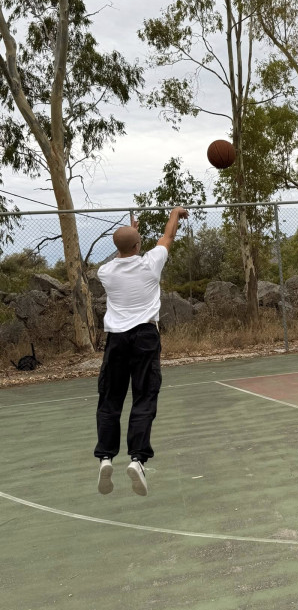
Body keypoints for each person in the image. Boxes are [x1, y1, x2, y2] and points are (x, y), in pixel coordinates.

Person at [94, 206, 189, 495]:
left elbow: (123, 251)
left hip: (116, 340)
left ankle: (106, 458)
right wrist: (175, 213)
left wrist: (129, 235)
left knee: (110, 399)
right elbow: (167, 236)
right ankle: (137, 459)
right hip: (145, 336)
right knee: (144, 397)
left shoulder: (105, 272)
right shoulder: (151, 263)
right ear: (139, 246)